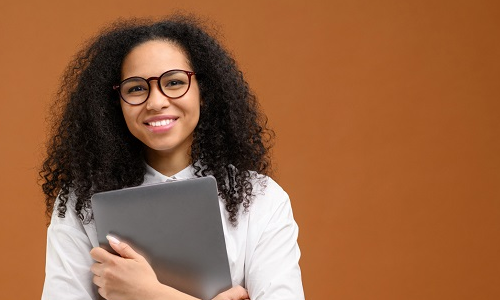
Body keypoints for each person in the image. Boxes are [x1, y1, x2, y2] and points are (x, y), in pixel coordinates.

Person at [40, 15, 305, 300]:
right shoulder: (79, 203)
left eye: (175, 82)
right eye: (136, 88)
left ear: (204, 92)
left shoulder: (262, 199)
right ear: (114, 104)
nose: (156, 102)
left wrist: (147, 293)